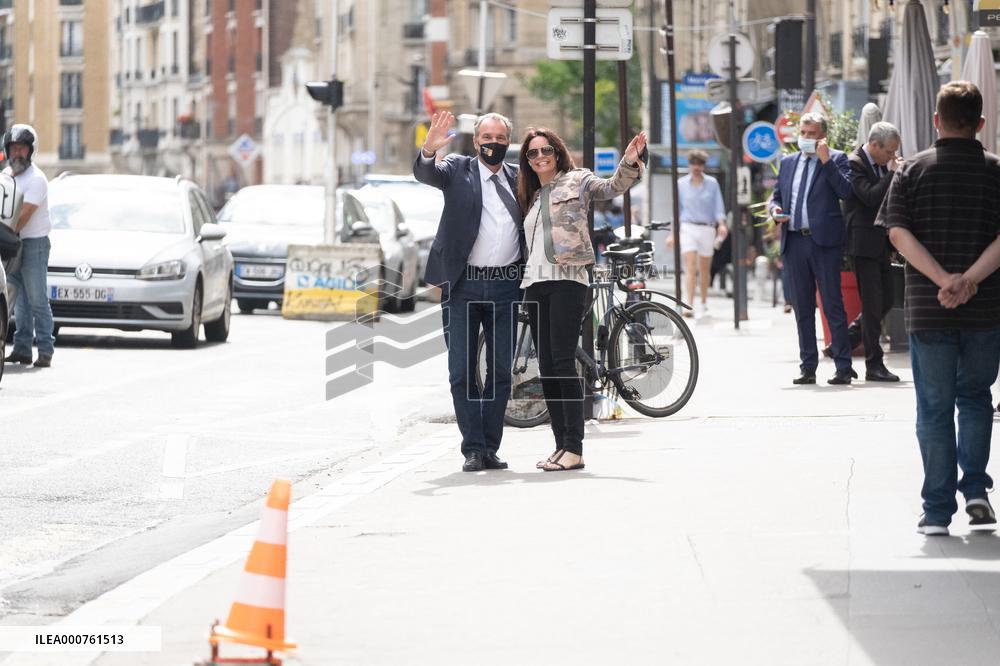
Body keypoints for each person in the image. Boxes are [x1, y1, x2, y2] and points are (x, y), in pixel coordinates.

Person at [880, 81, 1000, 536]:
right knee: (975, 399)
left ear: (936, 120)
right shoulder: (996, 171)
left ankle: (935, 511)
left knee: (933, 408)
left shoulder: (911, 171)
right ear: (980, 124)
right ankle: (975, 491)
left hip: (929, 311)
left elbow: (897, 234)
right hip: (985, 308)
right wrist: (969, 280)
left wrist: (943, 280)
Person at [516, 127, 646, 472]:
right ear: (526, 161)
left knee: (561, 363)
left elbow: (612, 187)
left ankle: (574, 447)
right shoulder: (529, 195)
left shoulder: (578, 180)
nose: (540, 156)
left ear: (557, 152)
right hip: (536, 285)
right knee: (546, 369)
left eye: (546, 150)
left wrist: (629, 162)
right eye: (532, 153)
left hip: (568, 281)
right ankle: (561, 446)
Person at [414, 111, 525, 473]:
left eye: (500, 137)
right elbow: (426, 172)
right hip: (464, 286)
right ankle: (472, 449)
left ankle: (490, 447)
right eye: (486, 137)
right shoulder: (458, 169)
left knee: (501, 372)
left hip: (507, 286)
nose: (493, 143)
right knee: (461, 371)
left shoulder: (519, 179)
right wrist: (429, 148)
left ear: (508, 142)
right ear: (476, 142)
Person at [769, 112, 855, 385]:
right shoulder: (787, 162)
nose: (805, 138)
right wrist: (775, 210)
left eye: (812, 133)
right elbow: (777, 196)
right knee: (802, 307)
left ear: (822, 136)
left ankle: (843, 366)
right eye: (803, 133)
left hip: (824, 243)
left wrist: (826, 160)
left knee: (832, 304)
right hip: (794, 241)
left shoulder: (838, 158)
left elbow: (846, 192)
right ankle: (808, 367)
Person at [840, 121, 904, 382]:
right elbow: (869, 197)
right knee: (873, 303)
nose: (891, 156)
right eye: (889, 151)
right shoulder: (854, 163)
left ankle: (842, 343)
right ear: (874, 145)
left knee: (887, 299)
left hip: (879, 243)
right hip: (862, 243)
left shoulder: (879, 164)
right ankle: (873, 365)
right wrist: (892, 174)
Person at [3, 124, 54, 369]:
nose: (17, 153)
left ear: (30, 151)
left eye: (22, 148)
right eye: (14, 148)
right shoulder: (6, 176)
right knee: (19, 301)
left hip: (33, 243)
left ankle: (45, 349)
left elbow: (20, 217)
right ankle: (22, 349)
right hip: (13, 241)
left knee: (36, 298)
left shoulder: (36, 179)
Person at [666, 150, 727, 317]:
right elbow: (676, 211)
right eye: (693, 163)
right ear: (689, 165)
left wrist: (721, 224)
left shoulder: (712, 183)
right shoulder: (681, 184)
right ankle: (689, 304)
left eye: (699, 164)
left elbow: (718, 207)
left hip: (707, 228)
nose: (696, 167)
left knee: (704, 268)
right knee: (691, 266)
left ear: (703, 166)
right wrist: (672, 234)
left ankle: (704, 301)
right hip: (688, 227)